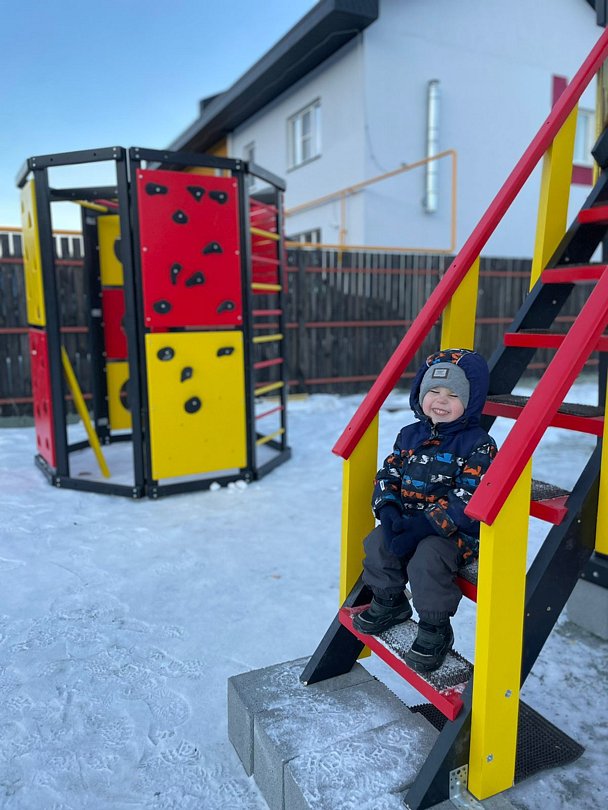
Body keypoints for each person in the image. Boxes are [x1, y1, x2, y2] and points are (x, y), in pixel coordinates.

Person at [352, 348, 497, 673]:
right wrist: (389, 511)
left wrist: (422, 527)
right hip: (407, 520)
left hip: (453, 533)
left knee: (427, 560)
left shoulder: (478, 444)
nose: (441, 400)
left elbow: (468, 497)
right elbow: (389, 473)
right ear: (420, 394)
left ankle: (435, 627)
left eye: (453, 395)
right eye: (434, 391)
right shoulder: (409, 435)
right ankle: (390, 601)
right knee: (377, 543)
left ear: (471, 401)